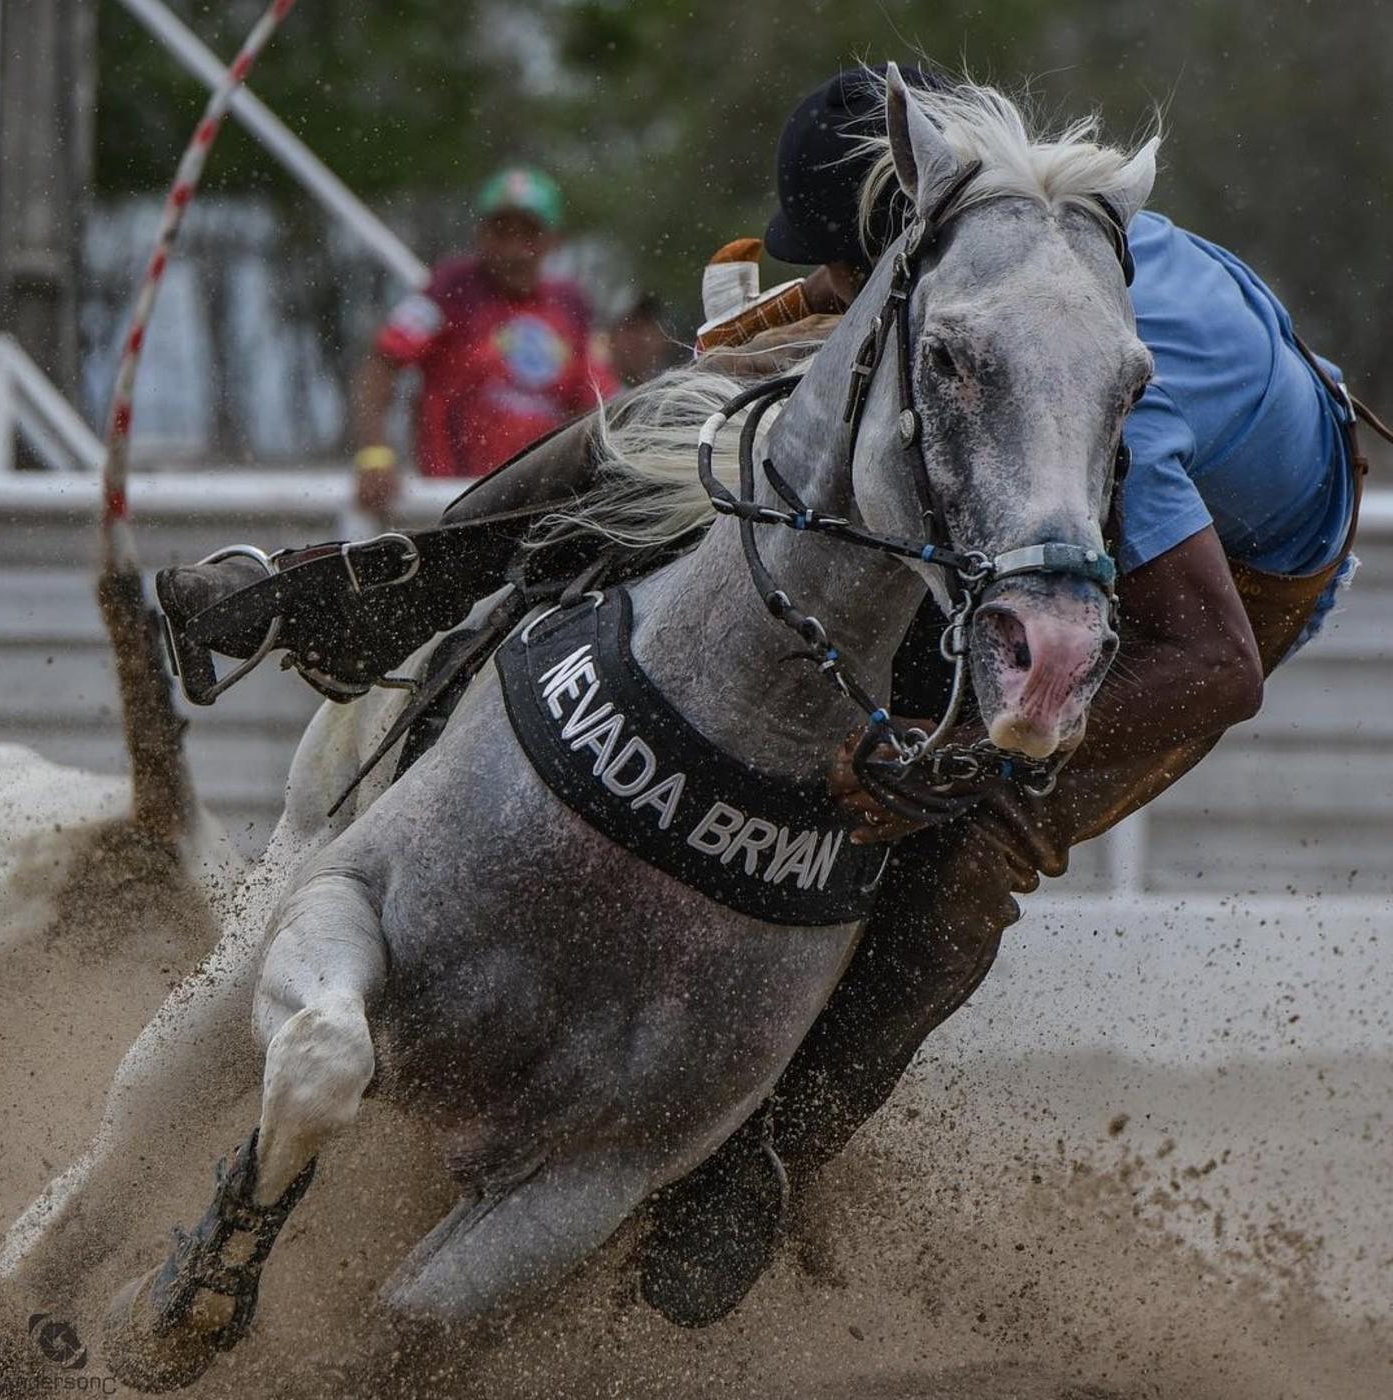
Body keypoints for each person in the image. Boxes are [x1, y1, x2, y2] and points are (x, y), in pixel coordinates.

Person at [155, 64, 1374, 1326]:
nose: (830, 292)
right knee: (681, 414)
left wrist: (962, 751)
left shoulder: (1098, 365)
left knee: (969, 831)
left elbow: (1212, 664)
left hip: (1229, 574)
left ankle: (759, 1163)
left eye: (835, 272)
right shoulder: (1002, 232)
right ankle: (381, 586)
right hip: (1065, 406)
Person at [351, 164, 617, 520]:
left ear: (554, 241)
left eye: (529, 234)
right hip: (452, 509)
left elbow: (596, 402)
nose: (514, 250)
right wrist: (375, 454)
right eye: (501, 232)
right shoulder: (452, 289)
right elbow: (381, 365)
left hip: (539, 510)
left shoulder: (570, 305)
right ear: (480, 235)